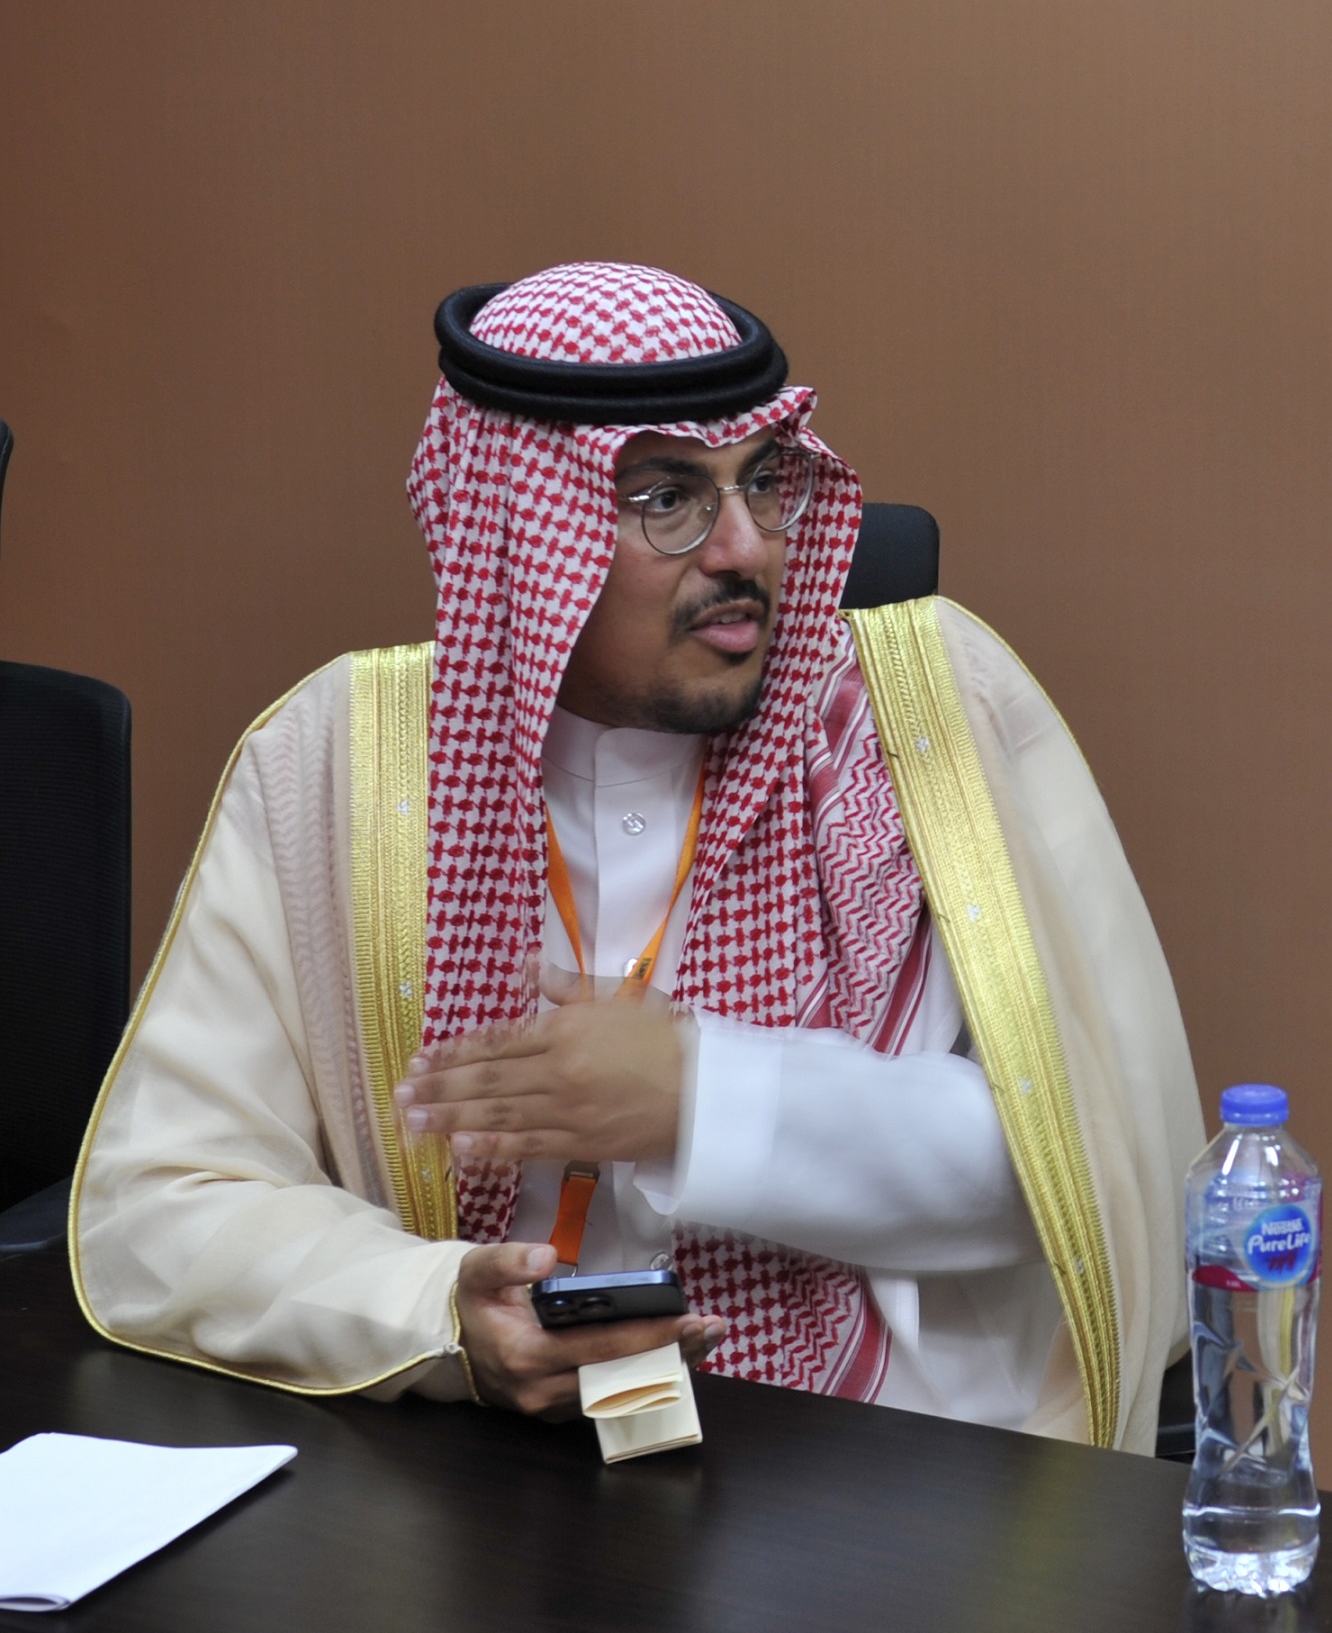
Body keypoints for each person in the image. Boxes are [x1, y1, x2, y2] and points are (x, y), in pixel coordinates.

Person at [71, 262, 1205, 1453]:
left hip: (874, 1463)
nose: (744, 547)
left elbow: (1097, 1165)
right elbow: (160, 1206)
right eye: (668, 497)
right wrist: (436, 1312)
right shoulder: (341, 764)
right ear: (522, 532)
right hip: (483, 1469)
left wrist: (701, 1097)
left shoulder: (924, 723)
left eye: (762, 482)